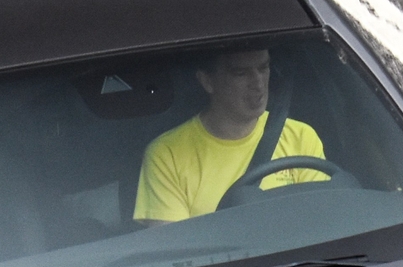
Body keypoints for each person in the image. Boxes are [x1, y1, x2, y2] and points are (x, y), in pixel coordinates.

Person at [133, 46, 328, 222]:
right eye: (240, 73)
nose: (258, 83)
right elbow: (176, 253)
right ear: (208, 81)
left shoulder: (300, 137)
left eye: (263, 68)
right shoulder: (167, 155)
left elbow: (321, 221)